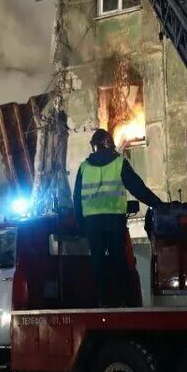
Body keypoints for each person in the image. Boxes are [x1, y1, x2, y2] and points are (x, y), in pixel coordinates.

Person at [73, 128, 163, 307]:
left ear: (94, 146)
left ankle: (103, 302)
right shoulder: (119, 163)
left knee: (98, 263)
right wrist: (159, 204)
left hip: (92, 225)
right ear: (109, 145)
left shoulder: (83, 168)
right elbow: (137, 188)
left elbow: (76, 199)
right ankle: (123, 302)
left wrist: (81, 225)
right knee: (118, 261)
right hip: (114, 223)